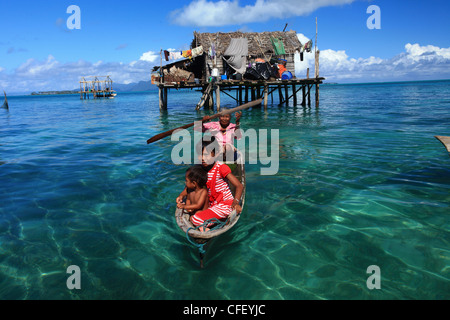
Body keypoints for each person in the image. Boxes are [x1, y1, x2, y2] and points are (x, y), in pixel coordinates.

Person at [190, 137, 243, 232]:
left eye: (206, 154)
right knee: (196, 214)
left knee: (195, 219)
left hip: (226, 205)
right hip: (213, 204)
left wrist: (236, 202)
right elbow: (191, 184)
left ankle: (206, 231)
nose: (202, 158)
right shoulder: (201, 169)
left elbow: (239, 185)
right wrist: (182, 196)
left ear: (216, 154)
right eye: (199, 155)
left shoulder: (221, 168)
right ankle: (216, 221)